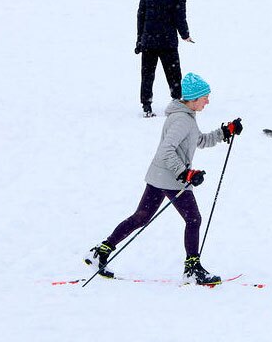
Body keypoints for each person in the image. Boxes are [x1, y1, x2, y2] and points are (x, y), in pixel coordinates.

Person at [85, 72, 244, 285]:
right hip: (171, 177)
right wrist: (184, 173)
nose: (208, 101)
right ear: (194, 99)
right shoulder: (181, 120)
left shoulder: (185, 117)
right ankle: (192, 269)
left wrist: (225, 132)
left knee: (141, 217)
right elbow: (165, 150)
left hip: (160, 175)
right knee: (193, 219)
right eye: (205, 97)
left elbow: (200, 140)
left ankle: (100, 252)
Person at [136, 0, 192, 117]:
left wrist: (139, 39)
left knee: (147, 75)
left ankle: (146, 105)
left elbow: (141, 18)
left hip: (149, 42)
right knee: (174, 74)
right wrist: (185, 34)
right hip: (168, 43)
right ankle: (177, 101)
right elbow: (180, 18)